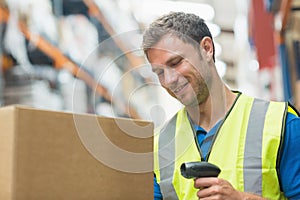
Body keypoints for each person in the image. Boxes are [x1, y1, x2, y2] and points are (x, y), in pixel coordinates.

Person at [142, 12, 300, 200]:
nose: (169, 80)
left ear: (207, 49)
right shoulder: (158, 147)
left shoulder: (279, 124)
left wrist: (241, 198)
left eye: (176, 63)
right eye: (160, 72)